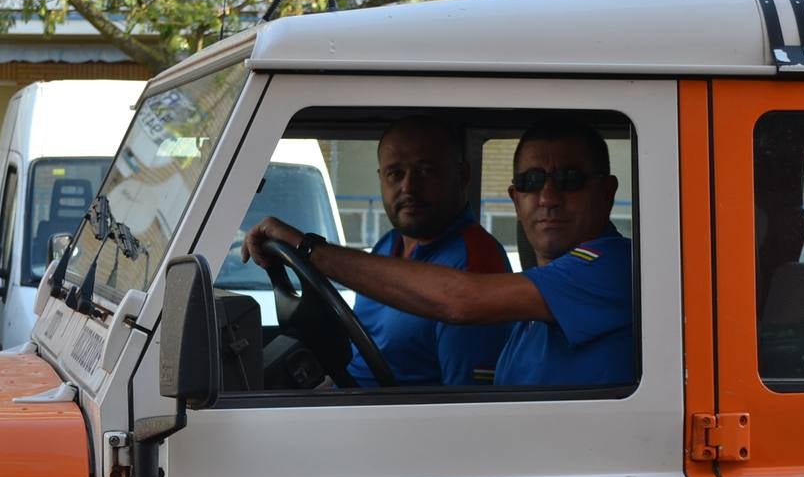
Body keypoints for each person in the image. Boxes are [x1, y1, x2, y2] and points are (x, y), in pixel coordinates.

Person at [244, 116, 634, 387]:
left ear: (607, 192)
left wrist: (309, 248)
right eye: (532, 182)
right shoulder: (540, 284)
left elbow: (461, 303)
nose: (547, 197)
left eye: (569, 180)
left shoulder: (615, 266)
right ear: (515, 198)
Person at [334, 115, 513, 386]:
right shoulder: (387, 245)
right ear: (381, 179)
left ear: (462, 176)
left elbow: (469, 404)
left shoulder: (475, 262)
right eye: (396, 174)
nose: (408, 187)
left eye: (426, 170)